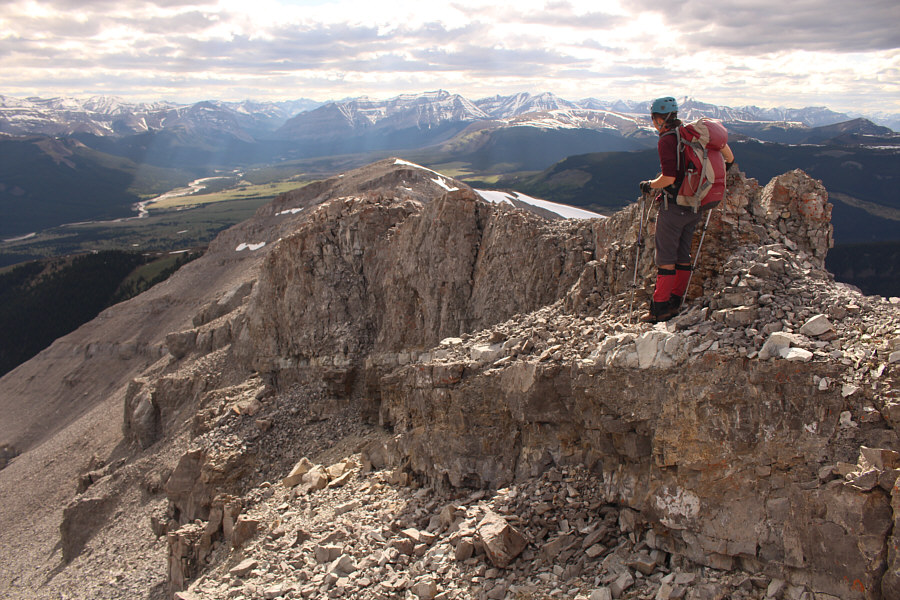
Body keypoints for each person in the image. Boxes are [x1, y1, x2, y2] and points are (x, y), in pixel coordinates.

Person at [639, 96, 735, 323]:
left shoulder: (667, 140)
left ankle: (660, 308)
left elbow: (669, 177)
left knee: (665, 258)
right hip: (697, 205)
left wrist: (649, 185)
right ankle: (676, 301)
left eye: (654, 119)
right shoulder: (692, 135)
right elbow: (729, 158)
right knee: (683, 253)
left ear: (658, 119)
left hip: (674, 206)